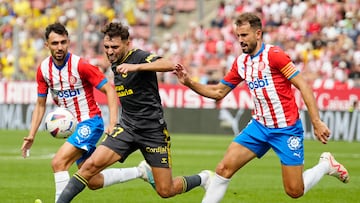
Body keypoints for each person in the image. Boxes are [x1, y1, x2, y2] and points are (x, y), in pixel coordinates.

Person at [174, 12, 350, 203]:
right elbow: (218, 92)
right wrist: (190, 83)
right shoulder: (241, 62)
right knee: (223, 169)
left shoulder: (274, 55)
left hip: (286, 129)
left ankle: (325, 165)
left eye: (244, 35)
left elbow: (303, 85)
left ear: (258, 34)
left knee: (294, 191)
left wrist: (316, 121)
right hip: (259, 126)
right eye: (238, 36)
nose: (240, 41)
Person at [56, 22, 212, 203]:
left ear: (127, 44)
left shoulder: (137, 57)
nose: (110, 51)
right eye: (106, 47)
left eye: (115, 47)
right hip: (127, 129)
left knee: (165, 190)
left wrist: (135, 67)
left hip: (153, 131)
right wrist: (114, 122)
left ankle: (204, 178)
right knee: (89, 168)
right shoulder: (116, 63)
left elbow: (169, 64)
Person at [20, 22, 139, 203]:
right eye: (55, 43)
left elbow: (109, 89)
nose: (59, 47)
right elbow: (40, 104)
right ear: (47, 45)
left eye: (63, 42)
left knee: (58, 163)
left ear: (68, 42)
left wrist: (113, 122)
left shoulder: (80, 65)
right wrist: (31, 135)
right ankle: (140, 171)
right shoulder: (43, 70)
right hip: (74, 126)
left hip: (90, 122)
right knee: (92, 180)